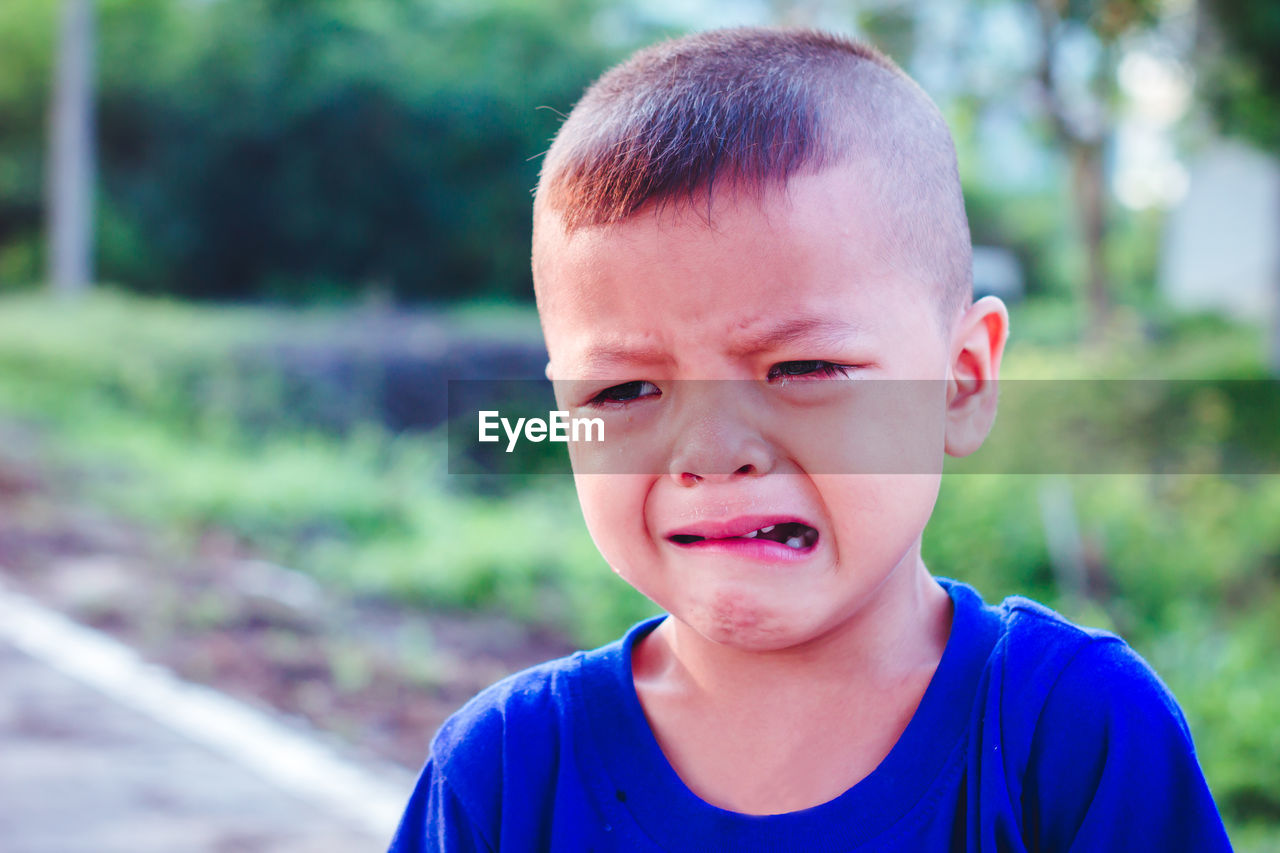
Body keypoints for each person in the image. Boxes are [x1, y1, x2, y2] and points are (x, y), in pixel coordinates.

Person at [389, 27, 1232, 851]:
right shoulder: (504, 777)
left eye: (802, 368)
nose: (711, 452)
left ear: (963, 379)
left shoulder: (1070, 736)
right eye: (625, 389)